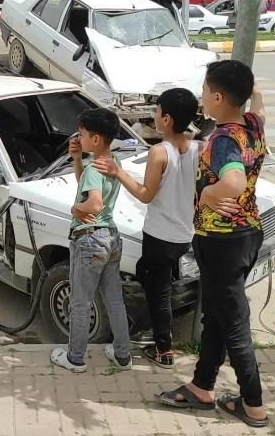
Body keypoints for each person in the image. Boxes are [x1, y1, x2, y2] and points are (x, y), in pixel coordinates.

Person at [93, 89, 239, 369]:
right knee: (165, 286)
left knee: (158, 292)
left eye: (158, 111)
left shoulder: (159, 152)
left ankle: (163, 349)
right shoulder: (200, 147)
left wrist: (118, 172)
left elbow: (146, 194)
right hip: (186, 234)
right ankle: (167, 339)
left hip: (159, 235)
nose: (155, 115)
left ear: (167, 119)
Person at [158, 60, 269, 429]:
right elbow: (260, 109)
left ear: (218, 97)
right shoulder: (251, 125)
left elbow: (234, 182)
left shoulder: (223, 140)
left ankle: (253, 405)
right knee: (218, 315)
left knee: (234, 323)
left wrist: (207, 194)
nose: (202, 96)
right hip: (247, 233)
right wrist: (254, 89)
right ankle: (202, 386)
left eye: (205, 90)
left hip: (223, 241)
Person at [50, 108, 132, 373]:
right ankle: (122, 355)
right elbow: (86, 185)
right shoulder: (110, 162)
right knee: (114, 299)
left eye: (82, 134)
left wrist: (76, 209)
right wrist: (77, 159)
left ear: (95, 139)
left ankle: (75, 358)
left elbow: (93, 203)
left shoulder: (94, 168)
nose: (77, 138)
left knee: (80, 302)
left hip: (89, 240)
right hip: (111, 238)